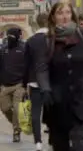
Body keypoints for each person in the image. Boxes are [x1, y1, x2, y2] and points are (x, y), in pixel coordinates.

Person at [36, 2, 83, 151]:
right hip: (58, 102)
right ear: (53, 17)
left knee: (80, 142)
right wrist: (45, 89)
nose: (64, 16)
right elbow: (42, 68)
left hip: (82, 99)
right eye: (60, 13)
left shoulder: (82, 35)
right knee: (60, 145)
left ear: (72, 15)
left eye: (67, 12)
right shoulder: (47, 39)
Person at [24, 13, 49, 150]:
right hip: (53, 80)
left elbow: (26, 64)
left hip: (35, 81)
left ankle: (38, 142)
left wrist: (25, 83)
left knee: (35, 111)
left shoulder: (30, 41)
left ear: (37, 23)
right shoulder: (55, 38)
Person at [0, 27, 27, 143]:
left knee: (17, 108)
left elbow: (29, 67)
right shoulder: (3, 50)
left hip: (19, 85)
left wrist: (26, 84)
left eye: (12, 36)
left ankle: (16, 131)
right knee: (5, 108)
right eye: (8, 36)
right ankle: (18, 124)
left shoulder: (24, 49)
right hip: (5, 86)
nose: (10, 38)